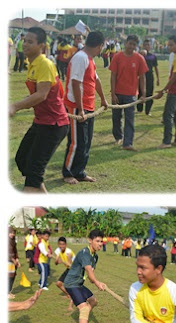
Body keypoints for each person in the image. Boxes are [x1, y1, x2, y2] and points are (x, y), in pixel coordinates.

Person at [10, 27, 69, 193]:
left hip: (54, 124)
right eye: (25, 41)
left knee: (33, 173)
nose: (25, 44)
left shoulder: (44, 64)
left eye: (30, 42)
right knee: (22, 159)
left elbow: (41, 95)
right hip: (41, 121)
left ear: (42, 45)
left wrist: (15, 106)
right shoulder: (32, 64)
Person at [62, 31, 108, 185]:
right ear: (100, 46)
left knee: (86, 142)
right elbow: (76, 83)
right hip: (76, 106)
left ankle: (80, 172)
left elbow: (95, 80)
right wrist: (80, 109)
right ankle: (68, 172)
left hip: (88, 106)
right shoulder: (80, 58)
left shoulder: (90, 59)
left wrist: (103, 99)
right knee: (76, 142)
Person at [63, 229, 107, 323]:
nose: (100, 244)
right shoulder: (85, 253)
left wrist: (97, 282)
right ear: (90, 240)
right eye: (97, 241)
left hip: (79, 284)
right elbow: (89, 271)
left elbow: (90, 275)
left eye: (101, 241)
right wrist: (97, 283)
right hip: (71, 284)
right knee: (84, 309)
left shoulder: (95, 256)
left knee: (93, 301)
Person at [109, 35, 148, 151]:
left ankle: (128, 143)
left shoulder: (139, 58)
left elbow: (142, 77)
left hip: (131, 95)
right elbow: (113, 76)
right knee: (116, 117)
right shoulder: (117, 57)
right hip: (118, 93)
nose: (131, 46)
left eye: (134, 44)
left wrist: (143, 93)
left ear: (136, 46)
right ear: (125, 43)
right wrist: (113, 93)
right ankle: (118, 137)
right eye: (130, 43)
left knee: (129, 119)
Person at [155, 35, 176, 149]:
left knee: (167, 116)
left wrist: (163, 90)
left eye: (171, 45)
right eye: (168, 45)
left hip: (175, 92)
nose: (169, 47)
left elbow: (174, 77)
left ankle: (167, 141)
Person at [137, 39, 160, 115]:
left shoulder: (153, 56)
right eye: (145, 45)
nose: (146, 46)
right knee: (140, 92)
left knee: (149, 93)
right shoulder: (139, 55)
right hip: (141, 76)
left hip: (149, 76)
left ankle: (148, 111)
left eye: (148, 45)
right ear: (143, 46)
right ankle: (139, 109)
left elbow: (156, 67)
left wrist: (158, 78)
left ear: (150, 46)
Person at [54, 236, 76, 310]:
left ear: (66, 245)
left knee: (71, 287)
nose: (61, 246)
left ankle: (70, 306)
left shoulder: (68, 252)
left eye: (63, 244)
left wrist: (63, 261)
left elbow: (70, 264)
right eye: (60, 244)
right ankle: (68, 295)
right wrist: (57, 260)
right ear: (58, 244)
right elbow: (56, 263)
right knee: (58, 283)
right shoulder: (58, 250)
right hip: (68, 269)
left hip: (74, 270)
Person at [8, 227, 21, 299]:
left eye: (13, 233)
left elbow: (15, 251)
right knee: (9, 277)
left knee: (12, 276)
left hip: (13, 261)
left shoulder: (13, 241)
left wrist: (17, 259)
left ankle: (9, 291)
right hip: (8, 261)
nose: (12, 234)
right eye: (10, 233)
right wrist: (13, 260)